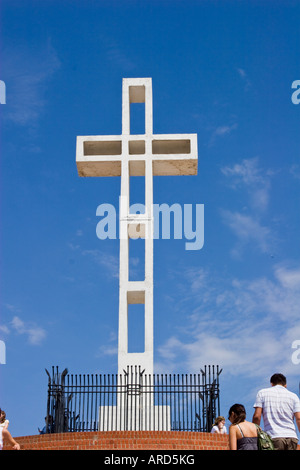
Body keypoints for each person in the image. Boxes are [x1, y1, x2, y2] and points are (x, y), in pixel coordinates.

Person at [252, 373, 300, 450]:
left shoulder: (262, 393)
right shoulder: (294, 396)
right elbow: (298, 419)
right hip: (292, 438)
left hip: (273, 437)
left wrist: (254, 435)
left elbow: (257, 416)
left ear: (272, 383)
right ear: (285, 385)